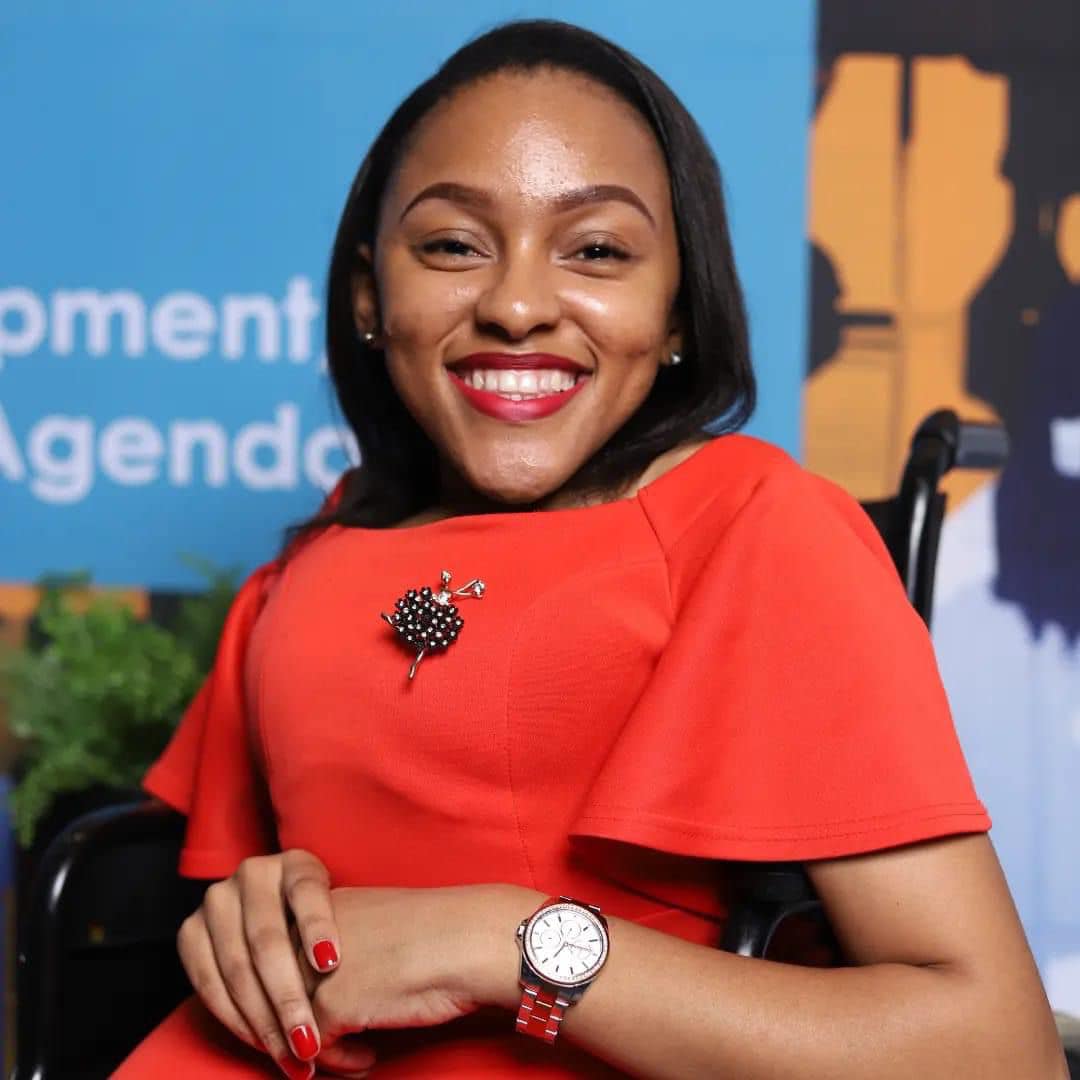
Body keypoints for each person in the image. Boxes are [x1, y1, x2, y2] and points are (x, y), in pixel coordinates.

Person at [115, 19, 1066, 1080]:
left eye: (598, 251)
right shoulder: (322, 549)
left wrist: (496, 940)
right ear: (370, 296)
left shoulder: (757, 527)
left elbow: (995, 1051)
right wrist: (246, 924)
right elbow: (245, 884)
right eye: (453, 245)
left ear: (678, 313)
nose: (517, 305)